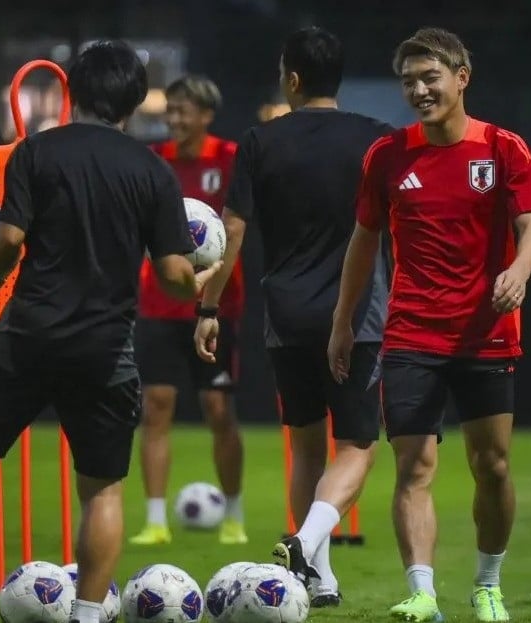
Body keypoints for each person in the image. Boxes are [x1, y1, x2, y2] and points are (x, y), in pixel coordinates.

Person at [0, 40, 221, 623]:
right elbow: (173, 276)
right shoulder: (152, 171)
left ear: (72, 93)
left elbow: (6, 240)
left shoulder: (36, 153)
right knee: (101, 491)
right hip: (104, 348)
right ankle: (85, 615)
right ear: (134, 103)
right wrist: (202, 282)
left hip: (25, 336)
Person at [328, 28, 531, 622]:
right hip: (411, 334)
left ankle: (487, 584)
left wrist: (520, 271)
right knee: (414, 466)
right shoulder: (387, 155)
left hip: (486, 333)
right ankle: (423, 593)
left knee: (493, 465)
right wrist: (342, 321)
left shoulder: (504, 149)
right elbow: (362, 241)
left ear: (461, 78)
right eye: (409, 81)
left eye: (430, 78)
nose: (420, 90)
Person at [194, 27, 393, 607]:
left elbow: (231, 229)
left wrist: (208, 308)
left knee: (305, 445)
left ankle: (318, 577)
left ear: (294, 79)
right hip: (357, 316)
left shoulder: (259, 141)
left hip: (286, 315)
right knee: (357, 444)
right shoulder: (376, 141)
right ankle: (305, 544)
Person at [130, 75, 249, 546]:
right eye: (170, 111)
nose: (175, 120)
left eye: (184, 111)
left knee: (219, 410)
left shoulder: (230, 158)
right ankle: (156, 520)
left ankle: (234, 515)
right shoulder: (154, 162)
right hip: (159, 303)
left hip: (218, 304)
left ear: (206, 114)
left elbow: (238, 228)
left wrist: (213, 296)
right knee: (155, 409)